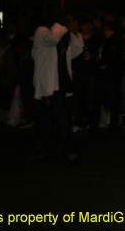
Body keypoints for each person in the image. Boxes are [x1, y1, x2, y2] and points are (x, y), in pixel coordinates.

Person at [31, 13, 83, 161]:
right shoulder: (41, 31)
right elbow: (52, 39)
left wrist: (71, 31)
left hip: (59, 84)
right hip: (48, 85)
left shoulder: (60, 33)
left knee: (47, 120)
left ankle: (39, 150)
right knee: (60, 119)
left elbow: (77, 49)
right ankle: (67, 150)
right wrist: (62, 26)